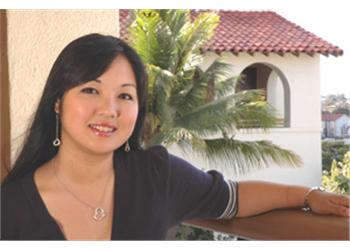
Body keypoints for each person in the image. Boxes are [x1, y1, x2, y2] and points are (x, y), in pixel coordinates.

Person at [1, 33, 349, 241]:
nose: (109, 110)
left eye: (125, 95)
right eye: (91, 90)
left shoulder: (155, 174)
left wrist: (308, 195)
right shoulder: (11, 207)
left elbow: (234, 198)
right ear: (58, 101)